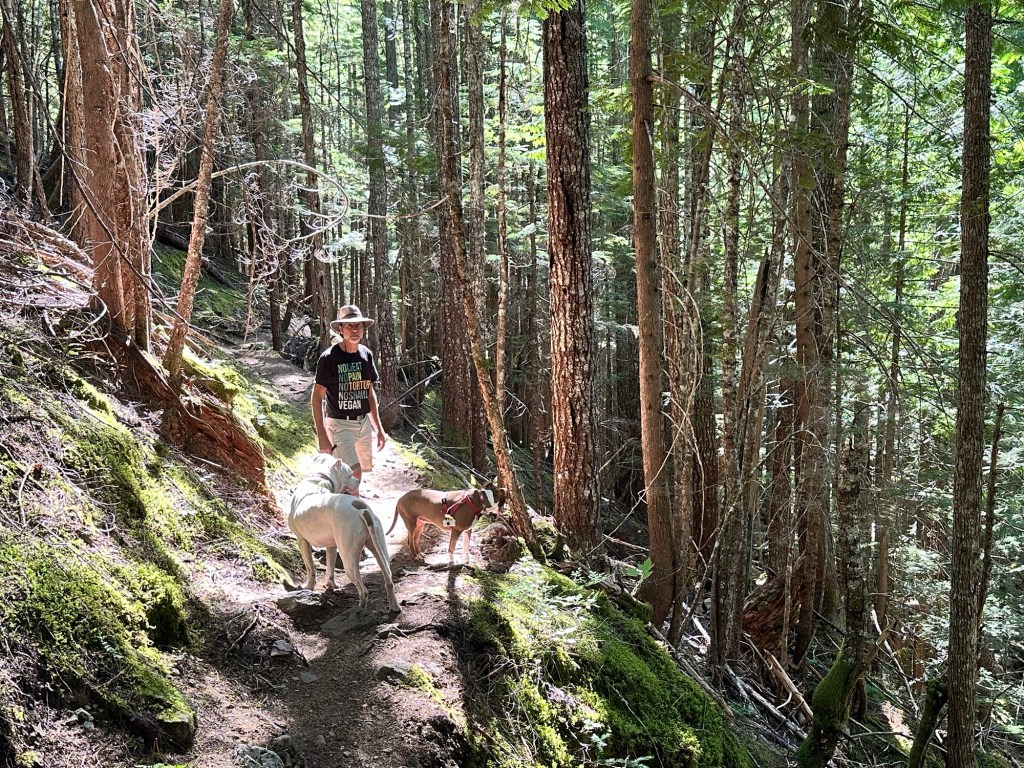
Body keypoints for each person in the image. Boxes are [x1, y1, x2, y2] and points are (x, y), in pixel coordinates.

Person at [311, 305, 388, 492]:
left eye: (358, 326)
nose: (354, 330)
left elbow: (369, 393)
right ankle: (354, 516)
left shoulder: (366, 355)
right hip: (339, 425)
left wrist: (379, 428)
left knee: (353, 477)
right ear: (340, 329)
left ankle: (344, 509)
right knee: (354, 473)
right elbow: (316, 397)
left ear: (363, 328)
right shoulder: (329, 358)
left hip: (363, 425)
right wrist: (321, 435)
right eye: (349, 326)